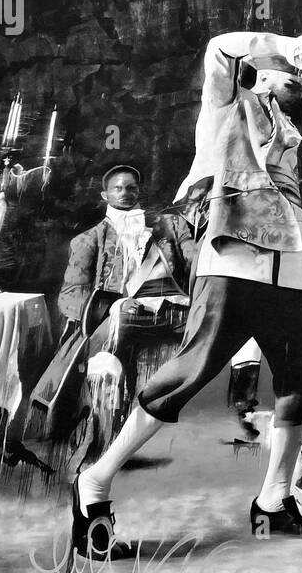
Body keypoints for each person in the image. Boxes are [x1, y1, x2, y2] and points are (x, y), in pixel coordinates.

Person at [69, 31, 302, 557]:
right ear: (260, 69)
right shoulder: (224, 105)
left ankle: (273, 500)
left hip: (295, 265)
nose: (299, 78)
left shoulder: (287, 128)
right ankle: (96, 480)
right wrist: (290, 44)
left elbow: (294, 194)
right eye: (287, 70)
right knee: (190, 372)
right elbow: (220, 47)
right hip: (234, 257)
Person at [28, 164, 203, 452]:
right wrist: (114, 305)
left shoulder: (170, 225)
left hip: (176, 310)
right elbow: (70, 296)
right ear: (105, 195)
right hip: (122, 317)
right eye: (118, 188)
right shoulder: (89, 239)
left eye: (131, 188)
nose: (125, 193)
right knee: (112, 344)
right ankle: (105, 439)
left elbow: (196, 258)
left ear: (139, 191)